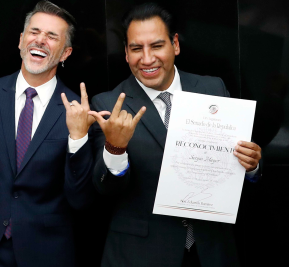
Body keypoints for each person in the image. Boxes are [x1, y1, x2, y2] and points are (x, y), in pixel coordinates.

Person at [89, 3, 262, 267]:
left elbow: (239, 167)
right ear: (125, 53)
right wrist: (116, 148)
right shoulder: (108, 104)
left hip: (211, 251)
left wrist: (252, 166)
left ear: (176, 45)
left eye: (157, 46)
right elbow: (104, 188)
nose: (147, 59)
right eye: (136, 48)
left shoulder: (212, 88)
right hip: (141, 254)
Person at [0, 1, 102, 266]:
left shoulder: (78, 111)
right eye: (34, 32)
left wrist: (77, 138)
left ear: (65, 53)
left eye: (52, 37)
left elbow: (80, 198)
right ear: (20, 40)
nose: (40, 40)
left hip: (46, 252)